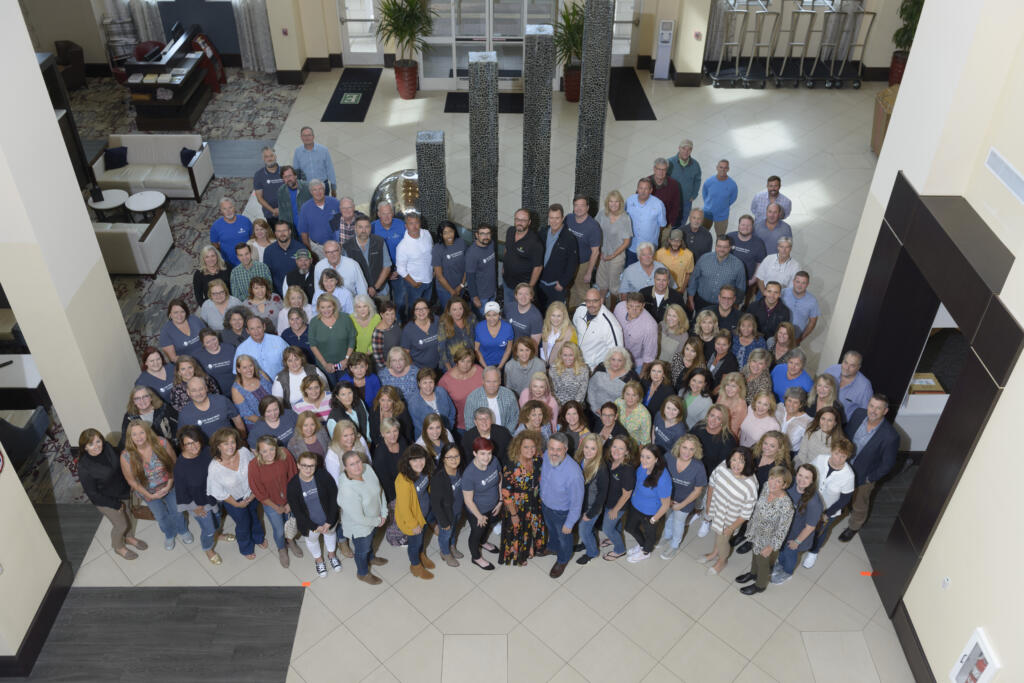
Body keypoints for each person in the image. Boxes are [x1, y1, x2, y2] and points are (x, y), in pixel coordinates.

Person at [120, 420, 192, 550]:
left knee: (177, 511)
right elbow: (132, 481)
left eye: (142, 432)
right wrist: (149, 495)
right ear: (129, 437)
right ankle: (169, 534)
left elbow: (174, 464)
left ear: (147, 432)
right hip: (148, 492)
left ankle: (183, 530)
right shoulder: (126, 456)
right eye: (134, 434)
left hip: (169, 485)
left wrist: (169, 484)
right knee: (161, 516)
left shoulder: (161, 443)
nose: (139, 437)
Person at [78, 428, 147, 560]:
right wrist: (114, 504)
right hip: (105, 500)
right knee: (121, 525)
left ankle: (129, 537)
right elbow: (93, 493)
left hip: (122, 491)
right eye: (91, 444)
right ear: (84, 447)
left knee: (129, 516)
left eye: (98, 441)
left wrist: (131, 481)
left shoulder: (108, 447)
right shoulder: (84, 467)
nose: (96, 446)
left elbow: (121, 463)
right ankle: (118, 546)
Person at [839, 394, 900, 542]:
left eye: (878, 408)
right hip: (843, 466)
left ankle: (853, 527)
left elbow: (887, 464)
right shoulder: (858, 414)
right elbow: (846, 434)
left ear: (885, 411)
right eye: (872, 406)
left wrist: (869, 478)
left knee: (859, 504)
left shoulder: (890, 436)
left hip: (864, 476)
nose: (873, 411)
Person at [173, 426, 230, 565]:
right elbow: (181, 492)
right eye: (188, 443)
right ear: (182, 445)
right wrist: (194, 508)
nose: (194, 446)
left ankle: (219, 535)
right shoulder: (180, 467)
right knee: (208, 529)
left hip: (214, 496)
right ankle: (208, 549)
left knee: (217, 519)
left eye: (196, 441)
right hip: (199, 504)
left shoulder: (206, 451)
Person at [206, 428, 265, 560]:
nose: (231, 446)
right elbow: (218, 492)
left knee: (255, 517)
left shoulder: (243, 452)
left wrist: (254, 494)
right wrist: (237, 505)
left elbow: (255, 471)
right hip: (234, 501)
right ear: (218, 446)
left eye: (232, 442)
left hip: (252, 494)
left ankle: (258, 538)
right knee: (243, 525)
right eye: (226, 443)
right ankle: (246, 548)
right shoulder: (214, 468)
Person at [734, 465, 794, 594]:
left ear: (785, 485)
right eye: (772, 478)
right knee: (755, 555)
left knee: (763, 562)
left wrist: (771, 547)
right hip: (756, 531)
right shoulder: (766, 486)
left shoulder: (786, 505)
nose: (773, 483)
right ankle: (753, 573)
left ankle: (760, 585)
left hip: (768, 539)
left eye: (778, 481)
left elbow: (783, 530)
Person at [699, 447, 757, 575]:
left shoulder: (751, 485)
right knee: (717, 534)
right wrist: (708, 504)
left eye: (741, 461)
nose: (736, 464)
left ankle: (722, 560)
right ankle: (714, 553)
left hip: (731, 519)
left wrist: (732, 527)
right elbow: (712, 484)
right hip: (716, 509)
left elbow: (746, 513)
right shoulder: (722, 467)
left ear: (747, 463)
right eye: (734, 460)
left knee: (723, 540)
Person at [286, 450, 342, 578]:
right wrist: (314, 526)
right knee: (312, 541)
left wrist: (330, 520)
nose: (308, 469)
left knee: (330, 534)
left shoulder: (324, 476)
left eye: (311, 465)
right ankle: (319, 560)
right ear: (298, 465)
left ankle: (332, 555)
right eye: (304, 465)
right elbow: (297, 511)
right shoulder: (293, 486)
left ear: (316, 466)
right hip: (309, 525)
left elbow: (334, 498)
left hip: (328, 520)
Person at [337, 450, 389, 584]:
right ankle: (363, 573)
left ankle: (371, 558)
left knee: (371, 543)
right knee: (362, 550)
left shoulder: (368, 469)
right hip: (361, 527)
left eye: (358, 461)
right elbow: (359, 518)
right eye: (352, 464)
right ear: (346, 468)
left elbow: (379, 490)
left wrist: (383, 512)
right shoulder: (347, 489)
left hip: (376, 519)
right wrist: (379, 520)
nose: (358, 466)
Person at [248, 435, 300, 567]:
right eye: (264, 451)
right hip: (271, 504)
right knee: (279, 530)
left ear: (276, 447)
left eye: (272, 449)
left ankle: (291, 541)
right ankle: (281, 548)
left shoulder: (285, 454)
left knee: (291, 524)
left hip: (289, 499)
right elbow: (258, 491)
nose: (269, 454)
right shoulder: (254, 465)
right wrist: (276, 507)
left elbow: (293, 477)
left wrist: (290, 502)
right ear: (258, 452)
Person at [804, 437, 856, 568]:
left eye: (843, 456)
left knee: (820, 532)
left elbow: (844, 499)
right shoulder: (820, 459)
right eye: (836, 453)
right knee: (803, 525)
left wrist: (827, 514)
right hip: (810, 503)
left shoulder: (848, 475)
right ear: (832, 451)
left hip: (829, 510)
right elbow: (809, 476)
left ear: (848, 457)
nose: (838, 459)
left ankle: (813, 552)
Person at [498, 430, 548, 567]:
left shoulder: (537, 460)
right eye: (526, 447)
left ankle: (531, 547)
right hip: (516, 504)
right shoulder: (511, 465)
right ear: (518, 447)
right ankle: (520, 555)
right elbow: (506, 494)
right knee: (518, 530)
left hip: (534, 500)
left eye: (532, 447)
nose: (530, 450)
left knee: (533, 526)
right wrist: (513, 514)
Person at [538, 433, 584, 577]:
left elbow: (577, 503)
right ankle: (552, 547)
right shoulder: (546, 455)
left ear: (565, 449)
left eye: (558, 449)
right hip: (546, 506)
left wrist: (569, 523)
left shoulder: (574, 474)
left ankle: (563, 560)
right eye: (551, 448)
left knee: (564, 539)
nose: (554, 453)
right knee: (551, 532)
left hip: (562, 513)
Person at [657, 435, 708, 559]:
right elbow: (660, 476)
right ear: (679, 447)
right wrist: (665, 499)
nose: (687, 452)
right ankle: (667, 536)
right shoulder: (669, 457)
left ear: (696, 451)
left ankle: (674, 545)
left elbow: (697, 491)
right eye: (684, 447)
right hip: (668, 498)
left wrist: (681, 505)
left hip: (685, 501)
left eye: (691, 449)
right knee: (669, 518)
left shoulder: (699, 467)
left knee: (678, 522)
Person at [771, 463, 823, 584]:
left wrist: (797, 542)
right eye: (800, 475)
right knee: (782, 550)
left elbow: (810, 527)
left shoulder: (813, 502)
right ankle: (780, 564)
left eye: (806, 477)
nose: (801, 480)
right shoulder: (791, 485)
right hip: (785, 530)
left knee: (790, 554)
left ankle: (787, 572)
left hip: (798, 536)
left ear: (812, 481)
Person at [394, 444, 437, 580]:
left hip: (424, 514)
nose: (419, 463)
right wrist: (414, 525)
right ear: (408, 462)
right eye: (414, 460)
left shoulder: (425, 471)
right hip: (412, 520)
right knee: (414, 544)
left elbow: (427, 488)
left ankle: (421, 555)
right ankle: (415, 566)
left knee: (421, 540)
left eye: (421, 459)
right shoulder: (403, 481)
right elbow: (404, 508)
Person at [624, 444, 672, 563]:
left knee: (650, 536)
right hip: (636, 506)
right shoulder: (642, 467)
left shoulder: (663, 479)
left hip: (650, 513)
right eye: (642, 456)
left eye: (648, 457)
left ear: (656, 459)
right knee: (629, 527)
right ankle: (642, 545)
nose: (643, 460)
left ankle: (646, 552)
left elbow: (666, 504)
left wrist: (654, 519)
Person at [462, 437, 503, 570]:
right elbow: (468, 500)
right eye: (482, 453)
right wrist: (479, 516)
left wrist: (500, 500)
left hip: (495, 506)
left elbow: (500, 479)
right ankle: (476, 557)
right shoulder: (469, 474)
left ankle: (484, 542)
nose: (487, 457)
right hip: (477, 511)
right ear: (475, 453)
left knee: (489, 526)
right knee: (476, 533)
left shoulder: (494, 461)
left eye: (489, 453)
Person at [571, 434, 608, 565]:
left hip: (592, 507)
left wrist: (590, 513)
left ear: (598, 450)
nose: (588, 451)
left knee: (583, 530)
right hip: (580, 504)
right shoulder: (580, 459)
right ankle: (586, 543)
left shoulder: (601, 468)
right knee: (588, 530)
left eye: (593, 449)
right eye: (586, 447)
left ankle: (592, 552)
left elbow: (602, 495)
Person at [687, 236, 747, 313]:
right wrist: (690, 298)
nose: (721, 249)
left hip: (723, 305)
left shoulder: (738, 265)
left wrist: (735, 306)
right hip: (701, 302)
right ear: (715, 246)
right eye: (719, 246)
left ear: (730, 248)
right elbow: (693, 279)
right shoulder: (704, 259)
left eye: (725, 247)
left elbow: (740, 288)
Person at [601, 435, 637, 560]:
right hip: (608, 501)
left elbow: (626, 494)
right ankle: (613, 537)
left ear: (627, 452)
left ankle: (620, 549)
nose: (616, 451)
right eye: (614, 446)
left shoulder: (627, 470)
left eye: (621, 448)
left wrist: (615, 510)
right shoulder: (611, 461)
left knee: (607, 528)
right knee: (615, 526)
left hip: (618, 505)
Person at [308, 293, 357, 383]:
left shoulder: (345, 318)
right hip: (325, 366)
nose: (326, 310)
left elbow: (352, 339)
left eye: (329, 306)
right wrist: (324, 364)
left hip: (345, 364)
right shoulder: (314, 322)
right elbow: (313, 345)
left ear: (334, 306)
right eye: (322, 307)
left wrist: (347, 359)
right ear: (318, 308)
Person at [565, 196, 603, 310]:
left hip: (583, 263)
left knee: (582, 291)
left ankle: (589, 314)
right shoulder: (568, 218)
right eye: (576, 205)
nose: (579, 208)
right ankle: (574, 313)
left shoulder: (593, 227)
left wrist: (589, 272)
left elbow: (595, 252)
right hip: (569, 261)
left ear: (587, 208)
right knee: (571, 289)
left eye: (582, 205)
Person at [595, 190, 633, 305]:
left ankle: (613, 309)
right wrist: (598, 251)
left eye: (616, 201)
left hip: (617, 257)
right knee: (601, 284)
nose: (613, 204)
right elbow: (595, 231)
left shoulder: (625, 218)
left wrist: (612, 255)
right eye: (611, 201)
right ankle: (600, 308)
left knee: (614, 287)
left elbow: (627, 242)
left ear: (620, 203)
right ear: (607, 203)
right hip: (602, 255)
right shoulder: (602, 213)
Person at [430, 444, 465, 567]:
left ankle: (452, 547)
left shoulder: (460, 469)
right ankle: (445, 552)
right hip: (446, 514)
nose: (454, 460)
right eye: (450, 457)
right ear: (443, 459)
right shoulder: (438, 477)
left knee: (454, 530)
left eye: (456, 456)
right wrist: (443, 522)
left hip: (458, 509)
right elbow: (436, 504)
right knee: (446, 534)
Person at [573, 288, 624, 370]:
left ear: (601, 300)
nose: (591, 304)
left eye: (595, 301)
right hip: (575, 363)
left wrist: (600, 369)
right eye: (588, 301)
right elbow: (575, 328)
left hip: (592, 369)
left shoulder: (611, 325)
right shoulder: (580, 310)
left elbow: (618, 353)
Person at [537, 203, 577, 308]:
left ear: (562, 218)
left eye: (557, 218)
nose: (554, 221)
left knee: (556, 314)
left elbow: (572, 264)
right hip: (540, 282)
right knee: (541, 311)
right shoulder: (542, 232)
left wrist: (563, 283)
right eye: (551, 218)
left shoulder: (570, 238)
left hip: (556, 286)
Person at [394, 213, 434, 319]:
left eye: (416, 223)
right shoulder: (402, 246)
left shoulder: (427, 234)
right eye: (411, 223)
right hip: (415, 284)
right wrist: (413, 283)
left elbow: (431, 253)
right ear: (406, 226)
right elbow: (400, 269)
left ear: (420, 223)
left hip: (429, 280)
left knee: (427, 307)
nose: (414, 226)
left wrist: (433, 271)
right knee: (415, 309)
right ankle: (413, 327)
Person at [180, 376, 247, 439]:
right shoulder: (185, 414)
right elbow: (183, 438)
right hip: (207, 450)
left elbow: (237, 419)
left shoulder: (222, 400)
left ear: (206, 388)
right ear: (188, 392)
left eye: (201, 389)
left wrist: (243, 440)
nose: (198, 393)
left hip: (230, 444)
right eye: (193, 390)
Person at [502, 209, 544, 306]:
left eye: (523, 220)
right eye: (517, 219)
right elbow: (506, 248)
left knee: (520, 311)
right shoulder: (510, 231)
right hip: (507, 281)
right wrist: (504, 266)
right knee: (508, 307)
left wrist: (530, 287)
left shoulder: (535, 242)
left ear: (529, 222)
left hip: (522, 287)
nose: (520, 223)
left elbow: (538, 267)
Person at [343, 216, 392, 299]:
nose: (363, 230)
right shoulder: (347, 246)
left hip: (381, 292)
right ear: (355, 228)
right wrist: (362, 289)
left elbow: (387, 267)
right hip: (360, 295)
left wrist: (375, 288)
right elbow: (348, 273)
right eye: (360, 227)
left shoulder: (379, 242)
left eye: (367, 227)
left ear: (371, 228)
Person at [117, 386, 177, 451]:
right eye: (137, 398)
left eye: (145, 396)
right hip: (143, 452)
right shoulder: (129, 417)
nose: (142, 401)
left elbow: (177, 427)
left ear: (151, 397)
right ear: (133, 402)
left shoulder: (164, 409)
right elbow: (126, 440)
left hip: (169, 448)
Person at [587, 347, 640, 421]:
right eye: (613, 359)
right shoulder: (601, 368)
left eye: (619, 360)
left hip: (613, 417)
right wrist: (595, 408)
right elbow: (591, 389)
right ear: (609, 359)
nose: (616, 363)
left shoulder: (631, 378)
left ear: (625, 361)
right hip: (592, 412)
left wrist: (610, 414)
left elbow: (631, 401)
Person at [438, 346, 484, 431]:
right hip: (460, 425)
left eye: (468, 361)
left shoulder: (479, 371)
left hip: (481, 420)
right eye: (462, 361)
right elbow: (441, 405)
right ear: (456, 361)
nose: (465, 365)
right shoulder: (445, 380)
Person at [625, 177, 666, 267]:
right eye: (640, 188)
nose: (643, 191)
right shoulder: (629, 200)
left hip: (649, 249)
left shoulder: (659, 204)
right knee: (629, 271)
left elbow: (662, 225)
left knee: (646, 272)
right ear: (637, 189)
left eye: (646, 189)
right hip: (632, 246)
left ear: (651, 190)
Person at [726, 215, 766, 307]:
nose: (745, 227)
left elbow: (760, 264)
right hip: (728, 278)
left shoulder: (758, 243)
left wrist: (753, 280)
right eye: (743, 224)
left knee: (741, 302)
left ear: (752, 227)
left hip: (747, 281)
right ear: (738, 225)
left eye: (748, 225)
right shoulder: (729, 237)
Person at [462, 367, 520, 431]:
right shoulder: (472, 398)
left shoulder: (509, 395)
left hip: (505, 435)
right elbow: (469, 424)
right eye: (488, 381)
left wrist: (504, 435)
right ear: (483, 381)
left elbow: (514, 418)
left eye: (495, 381)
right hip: (481, 437)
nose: (491, 385)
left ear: (500, 381)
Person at [272, 345, 327, 410]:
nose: (294, 363)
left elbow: (326, 391)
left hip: (319, 409)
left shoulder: (314, 370)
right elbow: (277, 403)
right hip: (294, 415)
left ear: (302, 358)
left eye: (296, 359)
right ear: (286, 362)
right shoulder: (280, 378)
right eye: (290, 361)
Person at [614, 292, 659, 371]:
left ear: (643, 305)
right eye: (631, 306)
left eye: (638, 306)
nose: (634, 310)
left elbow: (649, 358)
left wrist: (640, 379)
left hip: (636, 362)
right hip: (616, 354)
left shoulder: (650, 326)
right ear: (626, 304)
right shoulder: (619, 308)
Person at [407, 368, 456, 437]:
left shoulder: (441, 391)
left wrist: (448, 428)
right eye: (425, 383)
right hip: (426, 439)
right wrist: (436, 436)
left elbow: (452, 411)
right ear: (419, 384)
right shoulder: (413, 403)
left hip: (446, 433)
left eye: (431, 382)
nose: (428, 386)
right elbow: (419, 427)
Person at [464, 223, 499, 315]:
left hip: (492, 291)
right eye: (482, 234)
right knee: (482, 319)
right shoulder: (472, 254)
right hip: (481, 296)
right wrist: (475, 297)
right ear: (477, 235)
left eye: (488, 233)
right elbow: (470, 277)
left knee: (492, 316)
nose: (486, 236)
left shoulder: (491, 243)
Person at [825, 350, 874, 416]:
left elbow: (865, 413)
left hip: (842, 423)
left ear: (858, 367)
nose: (846, 368)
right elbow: (817, 388)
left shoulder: (865, 387)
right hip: (821, 412)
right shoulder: (831, 370)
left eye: (852, 366)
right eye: (845, 363)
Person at [297, 179, 340, 254]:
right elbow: (304, 232)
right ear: (310, 192)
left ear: (324, 190)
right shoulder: (305, 208)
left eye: (320, 189)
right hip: (318, 248)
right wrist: (310, 251)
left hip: (337, 245)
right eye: (314, 190)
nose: (318, 192)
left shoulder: (335, 202)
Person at [432, 220, 467, 309]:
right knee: (449, 312)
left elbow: (467, 266)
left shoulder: (461, 242)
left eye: (451, 231)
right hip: (445, 290)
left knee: (459, 310)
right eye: (445, 233)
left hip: (460, 286)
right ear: (441, 234)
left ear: (455, 231)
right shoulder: (437, 249)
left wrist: (461, 285)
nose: (449, 235)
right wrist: (451, 291)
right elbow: (439, 276)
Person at [292, 126, 337, 196]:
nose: (307, 138)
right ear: (301, 137)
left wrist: (333, 188)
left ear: (313, 136)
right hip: (306, 187)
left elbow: (330, 169)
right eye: (304, 135)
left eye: (309, 135)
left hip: (323, 186)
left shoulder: (324, 150)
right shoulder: (297, 152)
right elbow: (296, 171)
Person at [210, 197, 253, 267]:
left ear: (234, 208)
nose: (228, 211)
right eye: (224, 209)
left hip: (248, 259)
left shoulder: (245, 220)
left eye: (230, 207)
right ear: (221, 210)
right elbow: (215, 245)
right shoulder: (215, 226)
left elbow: (252, 236)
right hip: (229, 263)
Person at [667, 139, 701, 225]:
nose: (686, 151)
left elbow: (697, 180)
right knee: (668, 223)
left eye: (689, 149)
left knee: (682, 223)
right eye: (683, 148)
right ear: (679, 148)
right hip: (671, 201)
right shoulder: (669, 163)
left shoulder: (695, 165)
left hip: (686, 201)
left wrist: (694, 195)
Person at [231, 354, 273, 423]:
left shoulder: (262, 374)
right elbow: (248, 415)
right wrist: (268, 422)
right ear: (238, 370)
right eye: (244, 367)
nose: (249, 370)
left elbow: (275, 394)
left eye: (251, 366)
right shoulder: (236, 390)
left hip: (276, 414)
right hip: (258, 423)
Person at [437, 297, 477, 371]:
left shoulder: (471, 318)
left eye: (460, 309)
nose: (458, 312)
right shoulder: (443, 324)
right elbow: (441, 349)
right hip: (452, 363)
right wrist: (449, 368)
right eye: (454, 309)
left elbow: (478, 338)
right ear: (449, 311)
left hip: (470, 361)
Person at [701, 160, 739, 236]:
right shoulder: (709, 181)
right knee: (702, 234)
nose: (723, 170)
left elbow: (733, 198)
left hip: (722, 215)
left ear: (728, 169)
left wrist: (723, 205)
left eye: (725, 168)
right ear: (717, 168)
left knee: (721, 237)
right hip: (707, 212)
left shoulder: (732, 185)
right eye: (721, 167)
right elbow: (704, 193)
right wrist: (709, 204)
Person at [264, 222, 302, 295]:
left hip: (299, 293)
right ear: (275, 233)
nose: (282, 234)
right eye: (279, 231)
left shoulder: (300, 248)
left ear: (289, 231)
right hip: (278, 294)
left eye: (284, 230)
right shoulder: (269, 251)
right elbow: (267, 276)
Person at [781, 271, 820, 344]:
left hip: (795, 338)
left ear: (807, 284)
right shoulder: (783, 292)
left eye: (803, 283)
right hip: (778, 333)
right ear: (793, 281)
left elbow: (812, 322)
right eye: (797, 281)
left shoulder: (813, 302)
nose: (800, 285)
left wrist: (801, 338)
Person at [401, 298, 440, 370]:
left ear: (428, 310)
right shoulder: (408, 330)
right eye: (417, 309)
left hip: (438, 365)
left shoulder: (436, 321)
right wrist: (414, 369)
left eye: (424, 308)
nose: (421, 311)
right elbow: (406, 353)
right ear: (414, 312)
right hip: (420, 369)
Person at [371, 201, 406, 280]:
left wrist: (399, 271)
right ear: (379, 214)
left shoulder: (401, 224)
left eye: (389, 213)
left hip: (400, 270)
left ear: (393, 213)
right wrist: (384, 273)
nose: (387, 217)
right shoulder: (371, 227)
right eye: (383, 214)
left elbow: (410, 248)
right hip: (380, 271)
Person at [648, 157, 683, 236]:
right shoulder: (646, 182)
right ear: (654, 169)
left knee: (663, 246)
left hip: (666, 226)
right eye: (659, 169)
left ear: (667, 170)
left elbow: (676, 206)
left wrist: (670, 222)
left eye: (664, 169)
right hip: (648, 224)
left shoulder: (674, 185)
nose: (661, 172)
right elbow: (639, 201)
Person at [475, 301, 514, 369]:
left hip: (502, 363)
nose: (491, 319)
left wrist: (500, 367)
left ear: (499, 315)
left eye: (494, 315)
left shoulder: (508, 328)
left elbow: (508, 349)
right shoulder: (479, 327)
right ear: (485, 316)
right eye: (488, 315)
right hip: (484, 364)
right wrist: (486, 368)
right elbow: (476, 349)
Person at [549, 342, 589, 406]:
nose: (568, 358)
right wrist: (560, 407)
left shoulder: (584, 369)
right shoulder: (554, 368)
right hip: (558, 406)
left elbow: (582, 392)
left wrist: (572, 407)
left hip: (577, 406)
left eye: (571, 355)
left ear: (575, 355)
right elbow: (552, 391)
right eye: (565, 355)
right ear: (561, 355)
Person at [777, 386, 813, 454]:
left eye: (795, 402)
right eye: (789, 400)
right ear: (785, 400)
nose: (791, 405)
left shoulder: (808, 421)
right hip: (770, 446)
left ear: (801, 405)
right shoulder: (779, 408)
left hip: (789, 453)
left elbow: (808, 445)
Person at [276, 166, 312, 234]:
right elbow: (282, 214)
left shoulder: (307, 187)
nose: (288, 179)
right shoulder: (281, 191)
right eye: (285, 177)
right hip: (292, 230)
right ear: (283, 179)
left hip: (308, 227)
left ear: (295, 176)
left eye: (290, 176)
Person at [615, 380, 652, 446]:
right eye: (627, 394)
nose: (630, 398)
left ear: (639, 397)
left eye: (634, 395)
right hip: (616, 439)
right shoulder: (618, 403)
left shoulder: (645, 416)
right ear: (623, 394)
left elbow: (645, 442)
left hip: (632, 447)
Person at [371, 300, 402, 370]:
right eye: (387, 314)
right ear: (381, 315)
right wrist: (390, 368)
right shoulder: (378, 333)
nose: (390, 317)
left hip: (399, 361)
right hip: (387, 367)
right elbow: (378, 359)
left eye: (392, 314)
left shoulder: (394, 323)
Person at [716, 372, 748, 437]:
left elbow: (733, 431)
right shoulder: (722, 395)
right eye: (728, 385)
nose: (729, 389)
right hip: (716, 426)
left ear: (740, 388)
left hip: (726, 435)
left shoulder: (740, 406)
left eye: (733, 386)